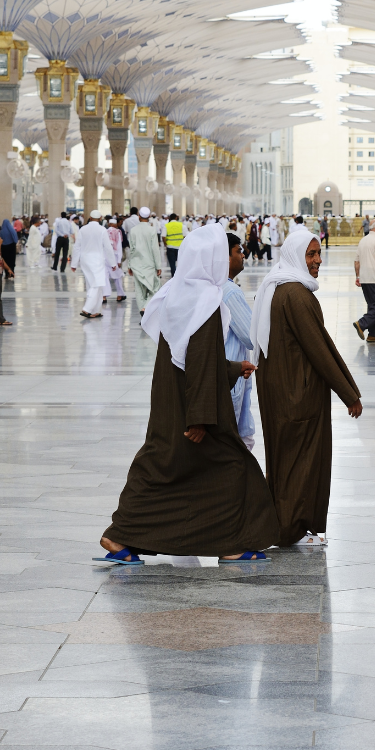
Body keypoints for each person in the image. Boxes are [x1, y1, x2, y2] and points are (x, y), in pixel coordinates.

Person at [98, 224, 280, 564]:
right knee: (235, 467)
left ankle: (120, 537)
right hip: (194, 410)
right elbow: (196, 358)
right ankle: (231, 545)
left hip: (171, 404)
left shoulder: (174, 293)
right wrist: (199, 418)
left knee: (159, 469)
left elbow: (191, 356)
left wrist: (231, 368)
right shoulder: (207, 300)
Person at [254, 228, 362, 546]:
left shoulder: (278, 288)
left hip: (279, 389)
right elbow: (320, 348)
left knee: (284, 459)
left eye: (318, 253)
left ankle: (285, 524)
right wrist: (349, 394)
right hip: (297, 395)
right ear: (295, 257)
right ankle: (292, 529)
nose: (317, 261)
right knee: (300, 461)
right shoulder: (298, 295)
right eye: (310, 255)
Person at [223, 233, 256, 450]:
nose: (243, 255)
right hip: (232, 372)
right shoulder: (230, 292)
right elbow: (250, 335)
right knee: (232, 441)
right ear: (225, 258)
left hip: (230, 371)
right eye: (238, 251)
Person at [73, 216, 115, 319]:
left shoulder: (83, 229)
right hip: (97, 260)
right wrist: (113, 263)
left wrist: (74, 263)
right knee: (97, 283)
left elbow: (77, 246)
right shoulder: (102, 229)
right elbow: (108, 247)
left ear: (90, 218)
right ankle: (87, 309)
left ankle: (96, 310)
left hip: (85, 260)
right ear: (100, 218)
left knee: (91, 284)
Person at [353, 220, 375, 344]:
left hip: (364, 279)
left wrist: (358, 276)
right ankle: (361, 324)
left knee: (372, 306)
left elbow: (356, 261)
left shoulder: (363, 240)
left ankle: (373, 334)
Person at [126, 208, 162, 313]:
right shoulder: (151, 230)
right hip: (149, 264)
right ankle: (145, 308)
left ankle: (143, 311)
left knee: (139, 291)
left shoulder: (133, 230)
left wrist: (129, 265)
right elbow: (155, 249)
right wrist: (158, 266)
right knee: (155, 288)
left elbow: (131, 249)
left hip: (136, 264)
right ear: (149, 216)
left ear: (139, 216)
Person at [164, 212, 184, 276]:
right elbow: (185, 235)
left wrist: (166, 244)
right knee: (181, 263)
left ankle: (174, 276)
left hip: (170, 247)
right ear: (176, 218)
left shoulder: (167, 226)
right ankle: (180, 276)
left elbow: (163, 236)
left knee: (172, 264)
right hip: (180, 247)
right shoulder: (181, 225)